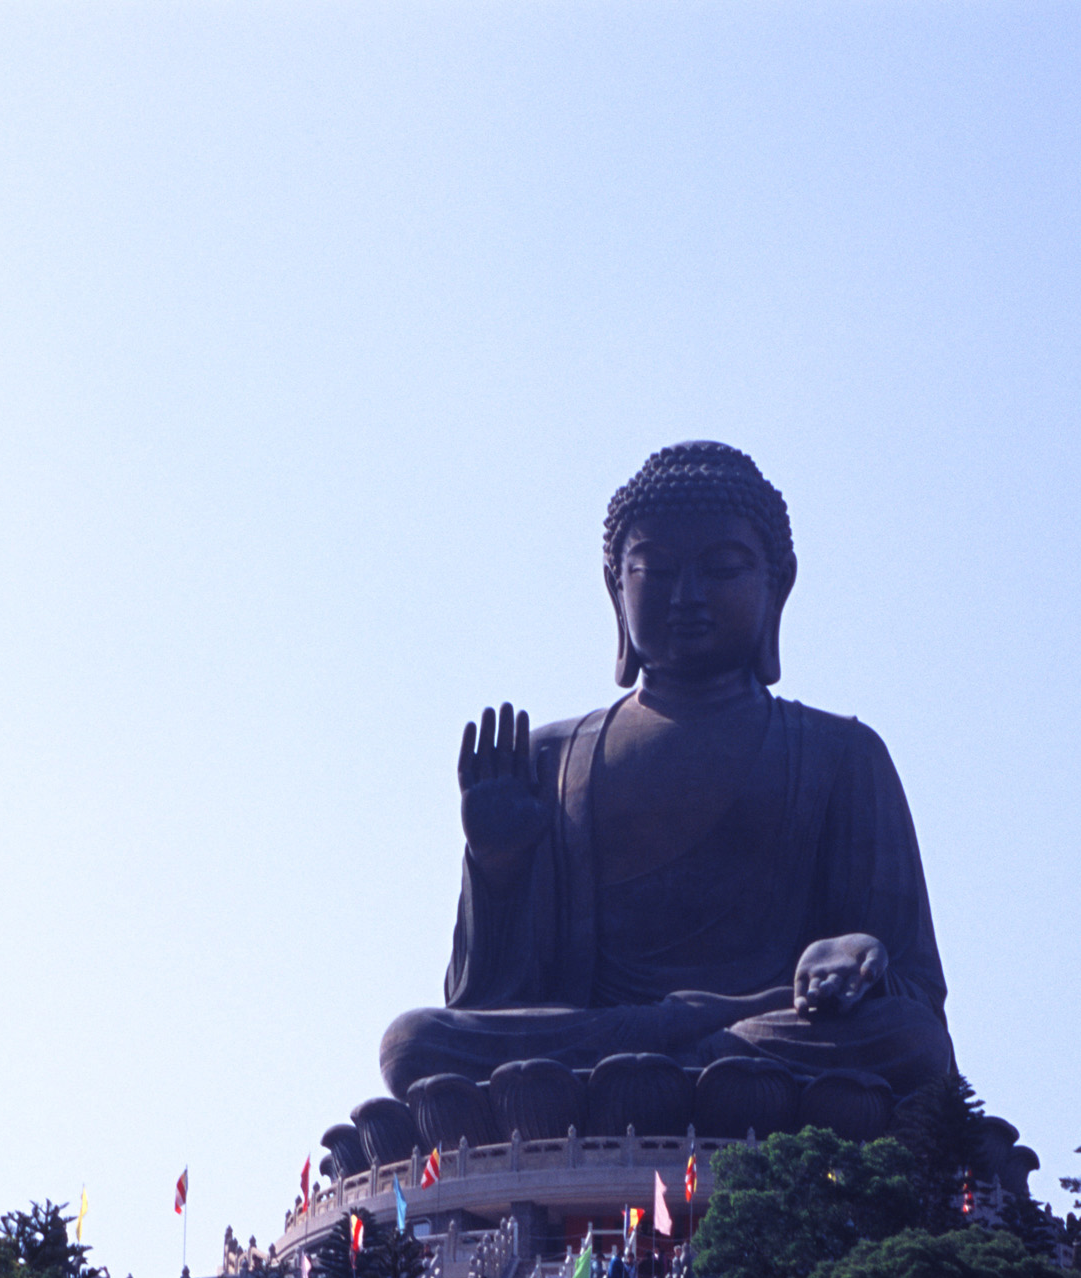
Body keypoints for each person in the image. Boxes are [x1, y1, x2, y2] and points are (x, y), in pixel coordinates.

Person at [380, 443, 952, 1105]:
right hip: (600, 1042)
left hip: (768, 1033)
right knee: (413, 1042)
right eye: (655, 569)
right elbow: (489, 1000)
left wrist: (856, 960)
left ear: (778, 585)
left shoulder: (842, 754)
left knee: (906, 1037)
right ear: (614, 586)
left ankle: (681, 1067)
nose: (688, 596)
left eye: (722, 569)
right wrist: (499, 867)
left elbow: (915, 993)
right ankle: (683, 1067)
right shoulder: (549, 759)